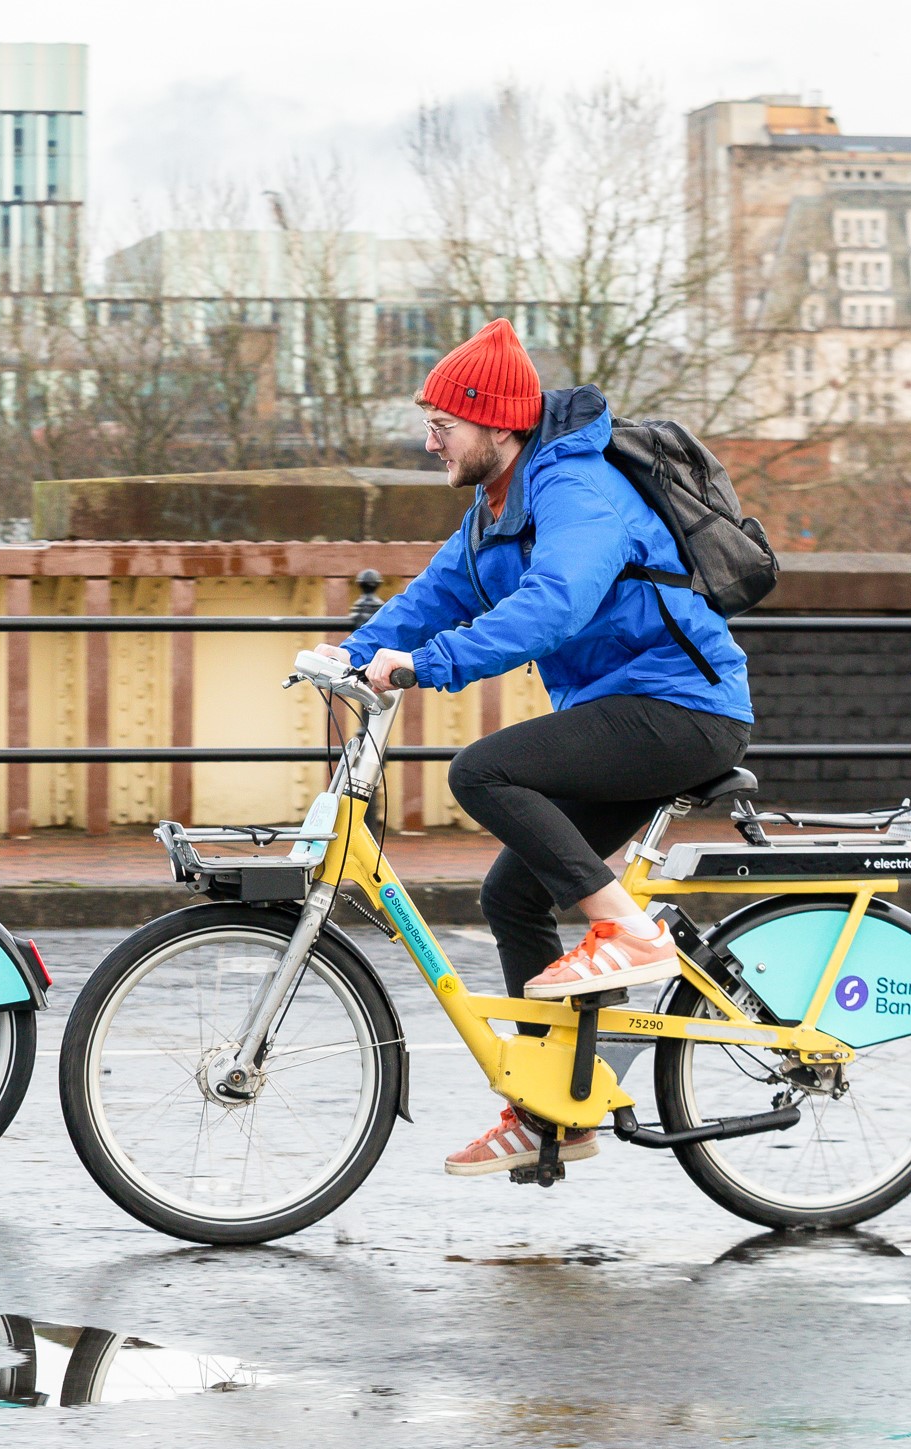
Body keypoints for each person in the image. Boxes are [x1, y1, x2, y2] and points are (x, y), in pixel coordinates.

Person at [318, 318, 754, 1179]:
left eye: (444, 423)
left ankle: (626, 932)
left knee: (484, 769)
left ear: (498, 424)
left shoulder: (573, 489)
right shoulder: (492, 512)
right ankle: (554, 1112)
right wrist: (351, 653)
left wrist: (429, 666)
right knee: (513, 891)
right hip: (622, 712)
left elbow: (557, 602)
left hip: (683, 707)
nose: (429, 438)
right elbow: (432, 595)